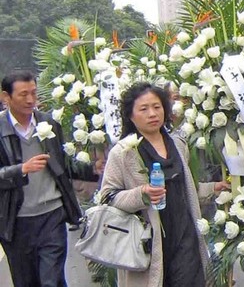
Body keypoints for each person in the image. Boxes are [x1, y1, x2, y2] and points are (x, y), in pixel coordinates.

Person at [101, 82, 210, 287]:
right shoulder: (123, 153)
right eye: (144, 109)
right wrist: (141, 194)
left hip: (185, 236)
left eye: (157, 107)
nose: (152, 113)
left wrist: (214, 189)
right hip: (148, 244)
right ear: (131, 116)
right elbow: (107, 196)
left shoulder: (178, 144)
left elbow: (186, 188)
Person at [0, 70, 99, 287]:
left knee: (51, 280)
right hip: (16, 220)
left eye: (34, 93)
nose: (30, 100)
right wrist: (21, 169)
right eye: (23, 94)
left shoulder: (49, 123)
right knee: (25, 281)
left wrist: (94, 170)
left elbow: (63, 164)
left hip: (51, 215)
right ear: (5, 97)